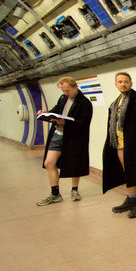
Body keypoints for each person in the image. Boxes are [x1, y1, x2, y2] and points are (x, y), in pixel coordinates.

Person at [102, 72, 136, 218]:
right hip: (119, 143)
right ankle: (131, 199)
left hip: (134, 144)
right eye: (120, 82)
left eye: (126, 82)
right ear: (116, 84)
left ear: (131, 84)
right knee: (128, 171)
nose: (123, 84)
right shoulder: (116, 102)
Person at [36, 77, 92, 206]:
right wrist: (47, 113)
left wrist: (65, 122)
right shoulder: (63, 98)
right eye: (63, 91)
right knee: (49, 162)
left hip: (73, 137)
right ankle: (55, 194)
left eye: (67, 90)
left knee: (74, 163)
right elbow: (56, 110)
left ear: (75, 87)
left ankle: (74, 190)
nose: (65, 93)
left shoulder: (84, 103)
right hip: (58, 134)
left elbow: (84, 123)